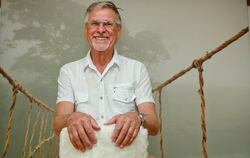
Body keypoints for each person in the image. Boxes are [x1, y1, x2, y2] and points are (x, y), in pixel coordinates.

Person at [53, 1, 160, 152]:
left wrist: (138, 118)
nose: (101, 30)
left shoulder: (137, 69)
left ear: (118, 30)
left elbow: (154, 126)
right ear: (86, 30)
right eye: (94, 23)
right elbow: (58, 126)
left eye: (108, 24)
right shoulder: (68, 71)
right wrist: (71, 118)